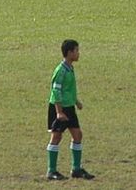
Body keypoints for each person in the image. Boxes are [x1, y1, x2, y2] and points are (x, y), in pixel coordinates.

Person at [47, 38, 92, 181]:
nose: (79, 53)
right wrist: (59, 112)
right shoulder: (60, 71)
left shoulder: (70, 68)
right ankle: (51, 171)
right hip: (60, 108)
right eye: (76, 50)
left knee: (77, 135)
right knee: (56, 137)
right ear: (69, 52)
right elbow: (56, 92)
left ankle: (76, 169)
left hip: (69, 107)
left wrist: (76, 101)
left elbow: (68, 89)